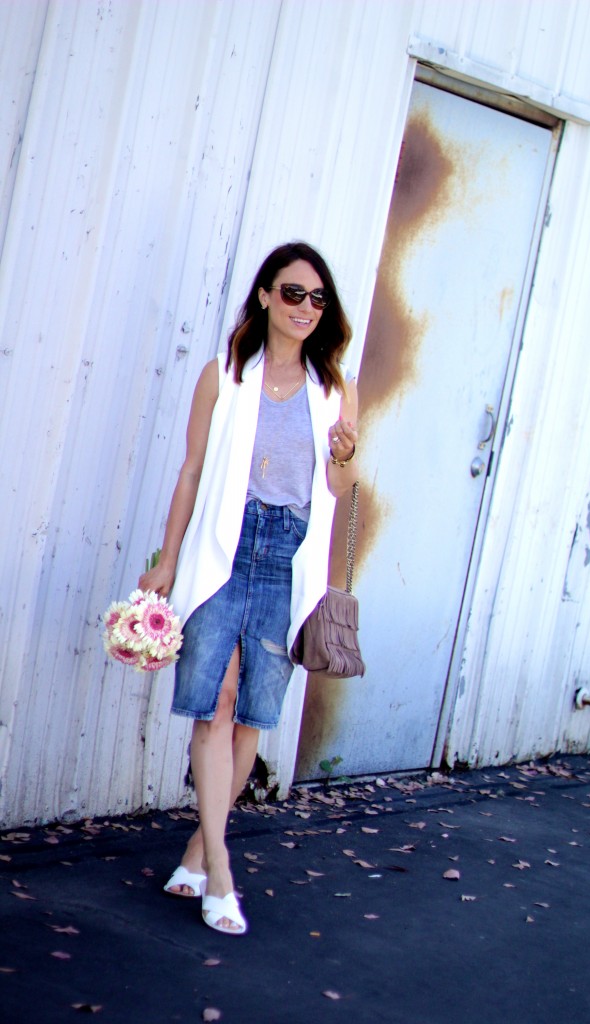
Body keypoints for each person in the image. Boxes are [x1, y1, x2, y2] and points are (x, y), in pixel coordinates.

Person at [138, 241, 359, 935]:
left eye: (317, 299)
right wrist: (166, 558)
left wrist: (346, 459)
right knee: (217, 702)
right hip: (224, 550)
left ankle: (200, 850)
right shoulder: (224, 376)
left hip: (286, 556)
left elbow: (339, 490)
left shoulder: (334, 389)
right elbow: (191, 473)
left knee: (254, 717)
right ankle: (222, 874)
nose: (305, 309)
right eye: (293, 293)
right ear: (265, 296)